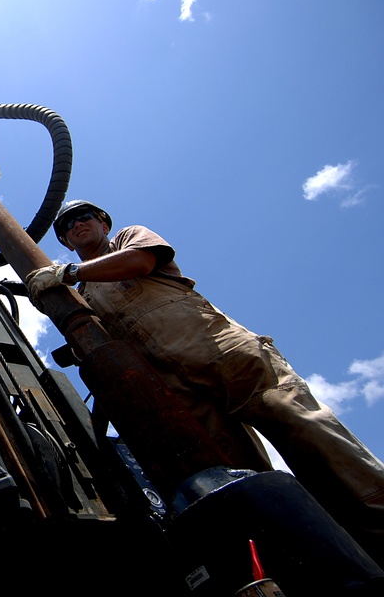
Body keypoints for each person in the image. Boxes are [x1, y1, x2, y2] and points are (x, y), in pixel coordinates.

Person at [26, 199, 384, 562]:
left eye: (84, 217)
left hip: (220, 352)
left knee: (303, 429)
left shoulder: (126, 241)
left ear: (103, 224)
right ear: (66, 241)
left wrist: (68, 273)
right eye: (67, 226)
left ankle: (377, 524)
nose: (76, 225)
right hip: (175, 388)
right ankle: (308, 561)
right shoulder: (83, 294)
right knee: (237, 476)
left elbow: (141, 261)